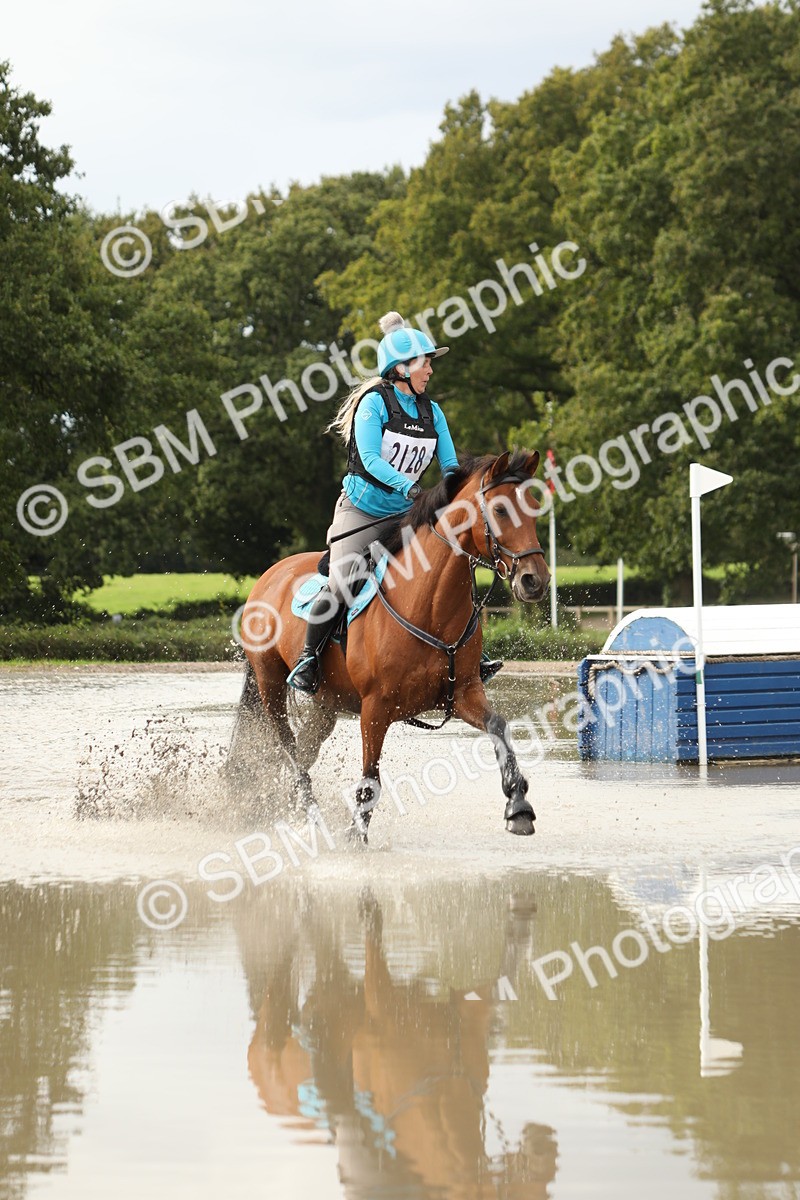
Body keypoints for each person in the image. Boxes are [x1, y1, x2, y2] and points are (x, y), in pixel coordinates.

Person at [287, 311, 502, 693]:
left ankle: (470, 656)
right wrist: (412, 489)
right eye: (425, 362)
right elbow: (370, 460)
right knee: (344, 581)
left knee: (448, 567)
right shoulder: (374, 404)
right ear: (401, 367)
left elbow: (450, 466)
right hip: (361, 511)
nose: (431, 370)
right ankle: (308, 658)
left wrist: (462, 493)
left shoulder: (432, 412)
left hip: (406, 514)